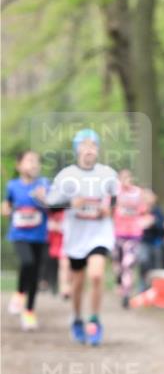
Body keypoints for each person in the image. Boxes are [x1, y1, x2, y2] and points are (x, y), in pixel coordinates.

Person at [48, 129, 118, 345]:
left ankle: (94, 320)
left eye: (93, 145)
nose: (89, 149)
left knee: (96, 275)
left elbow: (115, 198)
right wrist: (71, 203)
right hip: (76, 237)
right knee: (77, 281)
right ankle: (77, 318)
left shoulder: (107, 173)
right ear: (76, 149)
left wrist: (109, 209)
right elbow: (51, 204)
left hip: (99, 233)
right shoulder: (66, 175)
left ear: (98, 149)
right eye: (84, 145)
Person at [2, 150, 49, 330]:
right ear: (19, 165)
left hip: (39, 236)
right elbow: (7, 203)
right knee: (27, 262)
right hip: (19, 235)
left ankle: (29, 311)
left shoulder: (43, 184)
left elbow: (54, 205)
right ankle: (20, 293)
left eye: (36, 161)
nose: (34, 164)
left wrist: (44, 198)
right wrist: (5, 209)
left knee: (35, 274)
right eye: (29, 160)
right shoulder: (12, 185)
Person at [113, 168, 144, 307]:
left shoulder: (137, 192)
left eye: (128, 177)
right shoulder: (115, 192)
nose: (126, 180)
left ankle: (126, 293)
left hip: (133, 234)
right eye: (123, 177)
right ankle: (119, 282)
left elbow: (143, 210)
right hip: (118, 233)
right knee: (118, 264)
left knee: (128, 264)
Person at [137, 188, 164, 291]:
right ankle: (143, 288)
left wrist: (154, 222)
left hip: (156, 242)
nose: (147, 199)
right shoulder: (139, 211)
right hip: (143, 242)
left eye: (149, 196)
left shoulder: (158, 210)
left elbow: (163, 227)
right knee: (144, 262)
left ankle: (156, 289)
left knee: (157, 266)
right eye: (144, 197)